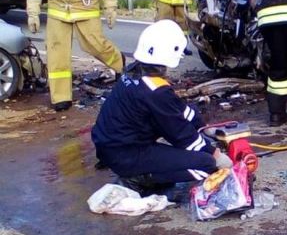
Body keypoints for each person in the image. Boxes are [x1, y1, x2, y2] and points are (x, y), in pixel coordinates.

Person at [92, 20, 232, 195]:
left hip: (111, 147)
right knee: (206, 164)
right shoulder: (155, 91)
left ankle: (148, 173)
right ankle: (140, 179)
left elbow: (176, 108)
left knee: (188, 152)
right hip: (128, 155)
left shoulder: (134, 71)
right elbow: (182, 136)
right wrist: (215, 154)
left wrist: (203, 127)